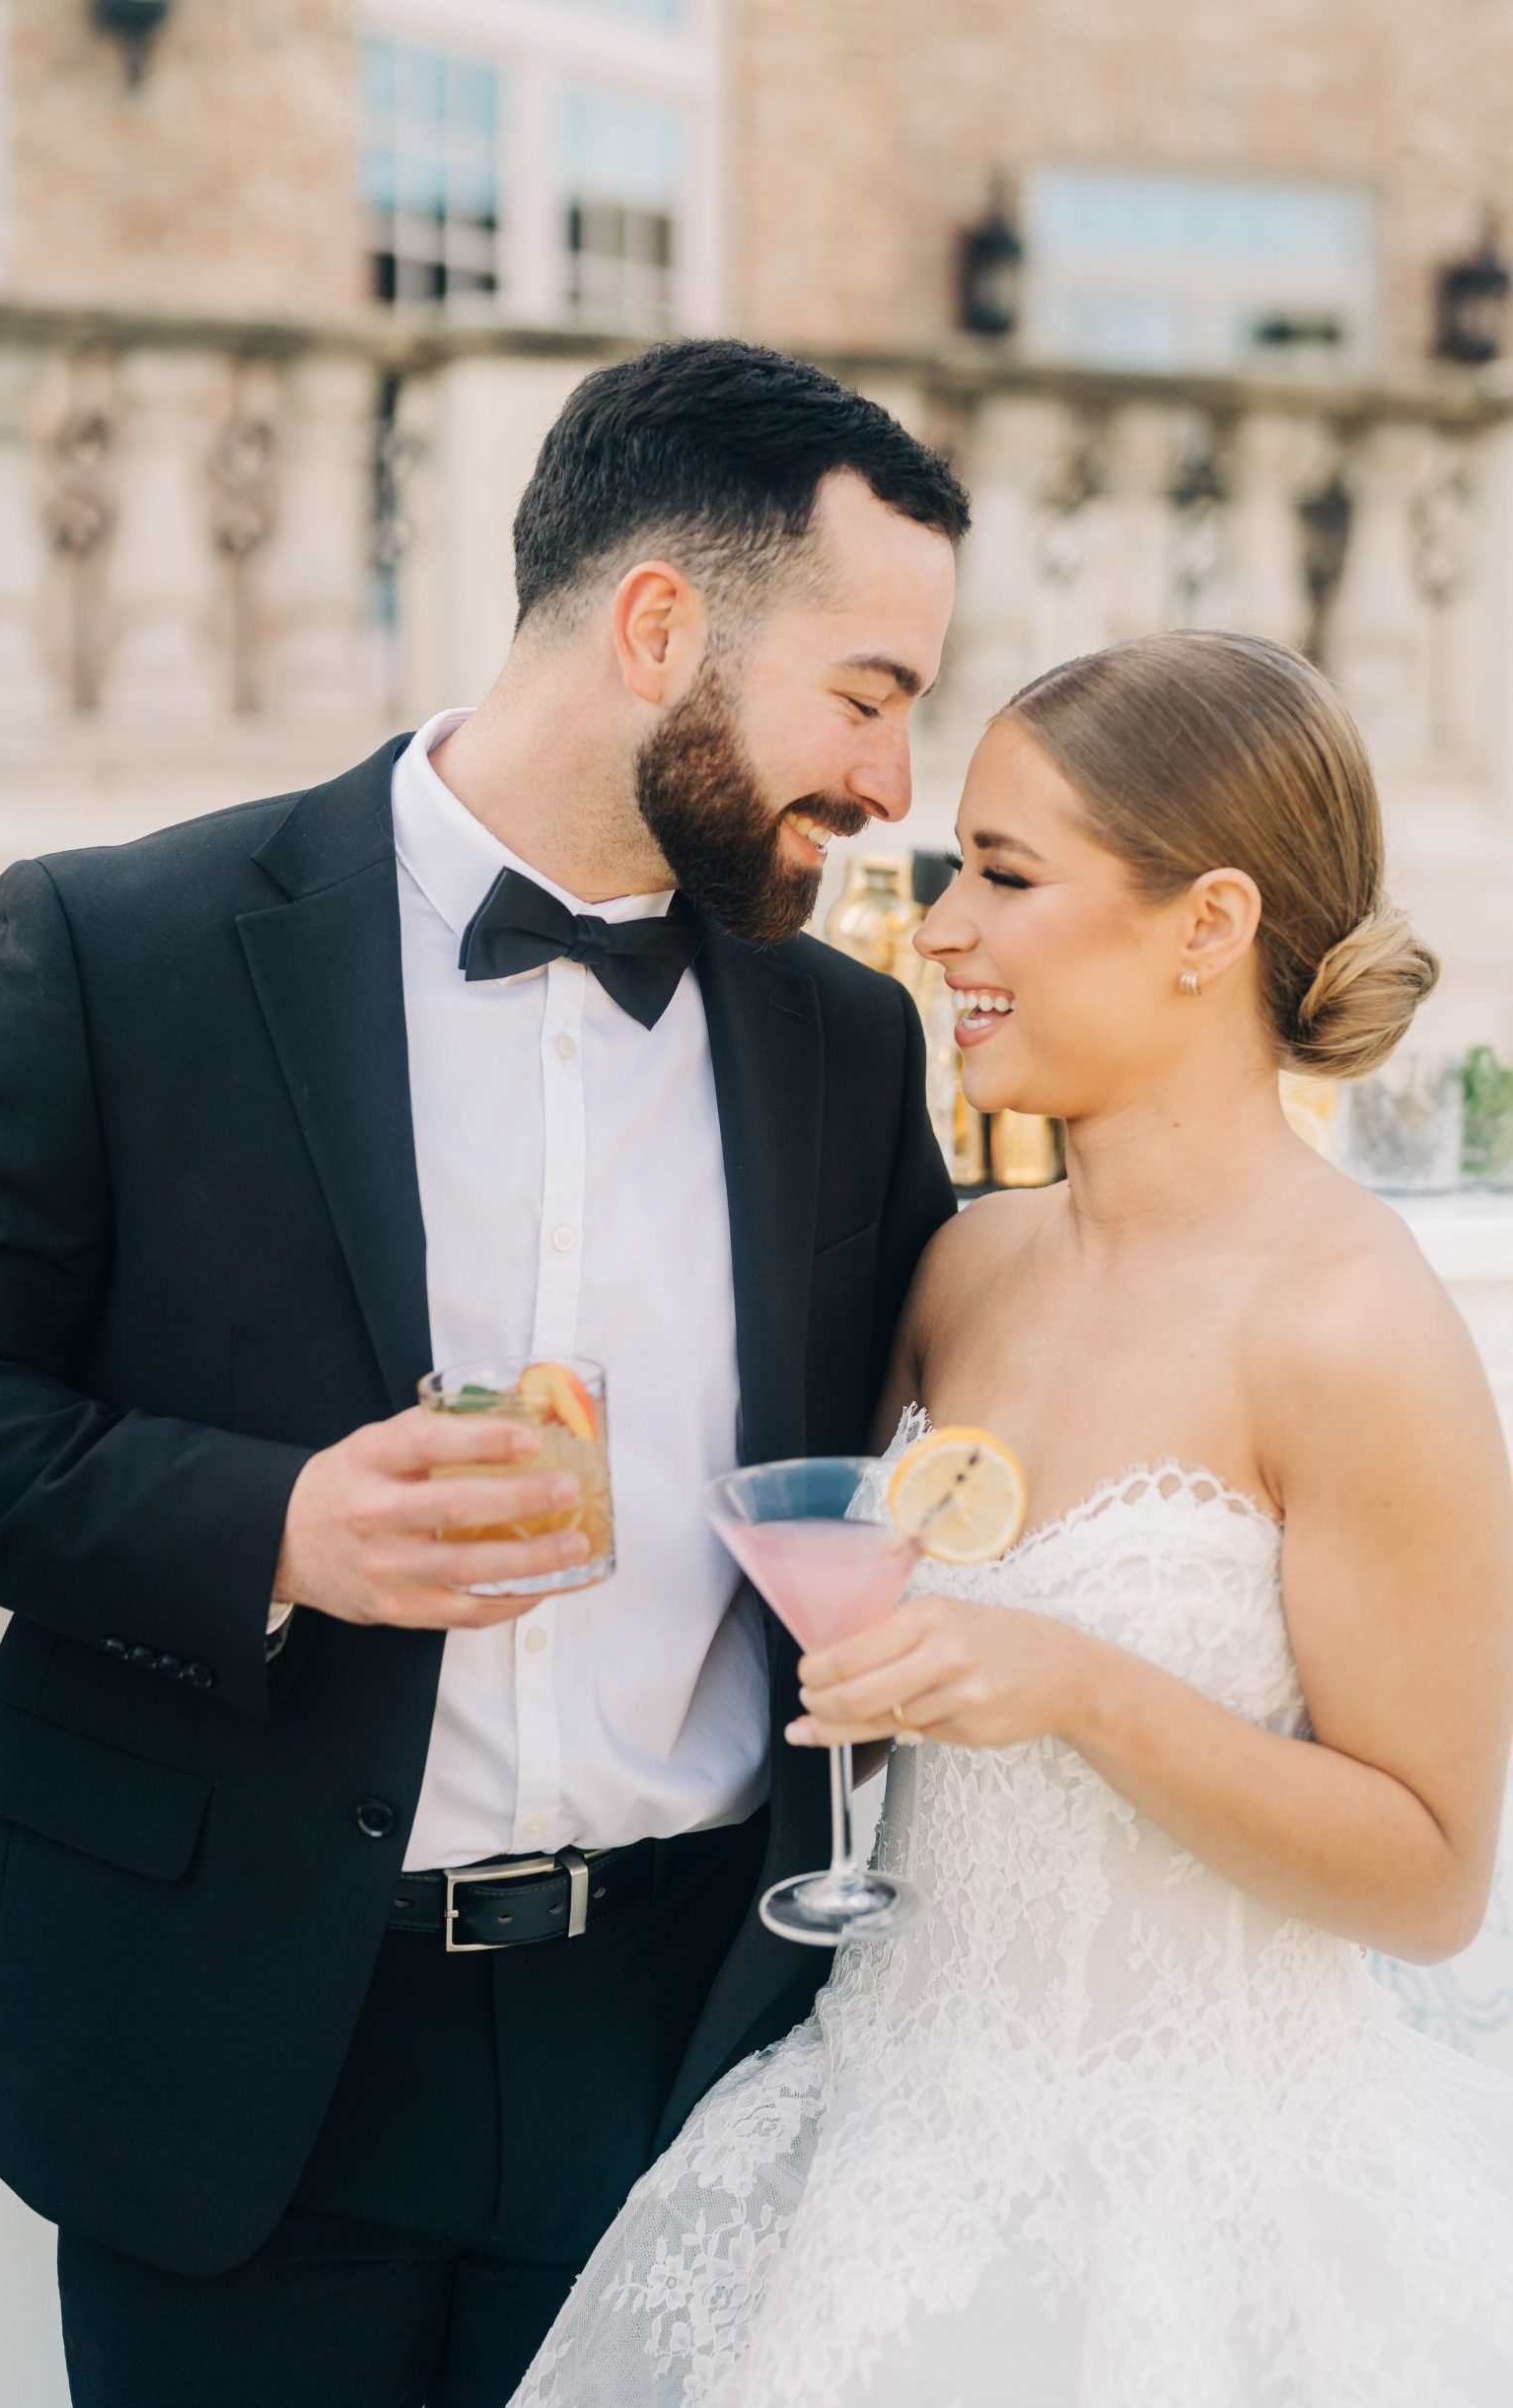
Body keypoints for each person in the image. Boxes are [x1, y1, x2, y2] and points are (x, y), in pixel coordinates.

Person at [0, 338, 967, 2407]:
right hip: (236, 2038)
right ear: (656, 628)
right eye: (869, 700)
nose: (895, 782)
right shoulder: (119, 944)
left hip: (688, 2038)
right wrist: (266, 1525)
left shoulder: (845, 1037)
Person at [511, 627, 1513, 2407]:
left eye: (1004, 874)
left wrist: (1074, 1683)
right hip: (879, 2135)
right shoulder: (962, 1269)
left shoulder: (1355, 1326)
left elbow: (1432, 1876)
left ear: (1207, 925)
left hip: (1198, 2213)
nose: (944, 929)